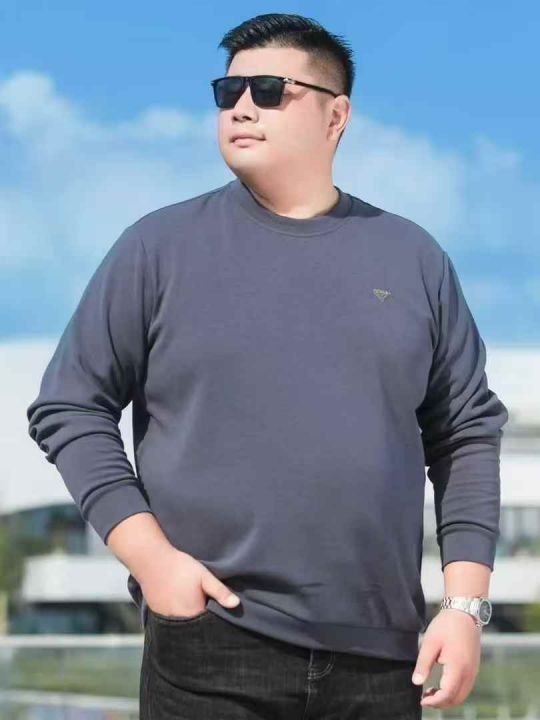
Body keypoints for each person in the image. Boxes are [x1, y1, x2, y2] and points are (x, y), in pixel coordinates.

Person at [26, 12, 509, 719]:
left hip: (382, 658)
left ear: (336, 116)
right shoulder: (158, 248)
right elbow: (70, 406)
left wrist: (465, 607)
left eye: (271, 90)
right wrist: (153, 563)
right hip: (210, 641)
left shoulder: (415, 259)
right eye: (229, 92)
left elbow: (465, 434)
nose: (242, 107)